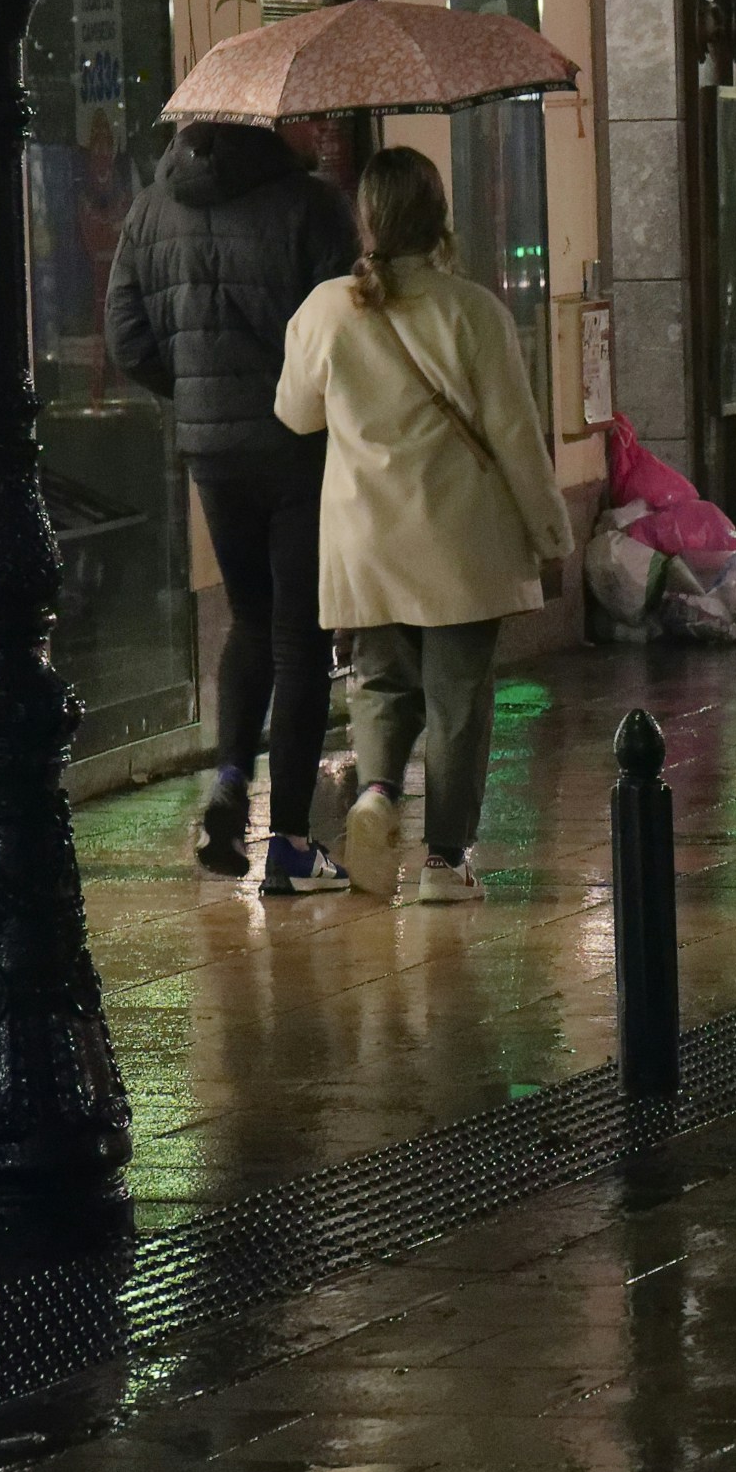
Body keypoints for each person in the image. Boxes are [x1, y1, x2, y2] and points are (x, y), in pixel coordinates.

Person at [273, 147, 573, 906]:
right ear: (439, 218)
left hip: (363, 539)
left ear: (363, 218)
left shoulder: (325, 309)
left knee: (378, 681)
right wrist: (551, 536)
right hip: (459, 541)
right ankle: (444, 861)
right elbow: (515, 435)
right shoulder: (474, 311)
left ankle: (374, 791)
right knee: (459, 699)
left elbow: (295, 413)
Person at [105, 117, 358, 895]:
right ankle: (288, 843)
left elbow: (127, 337)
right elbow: (350, 329)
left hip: (210, 451)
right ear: (270, 123)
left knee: (249, 617)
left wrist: (195, 397)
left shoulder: (150, 207)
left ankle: (225, 782)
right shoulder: (310, 205)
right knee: (299, 635)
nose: (319, 129)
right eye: (308, 119)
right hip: (297, 443)